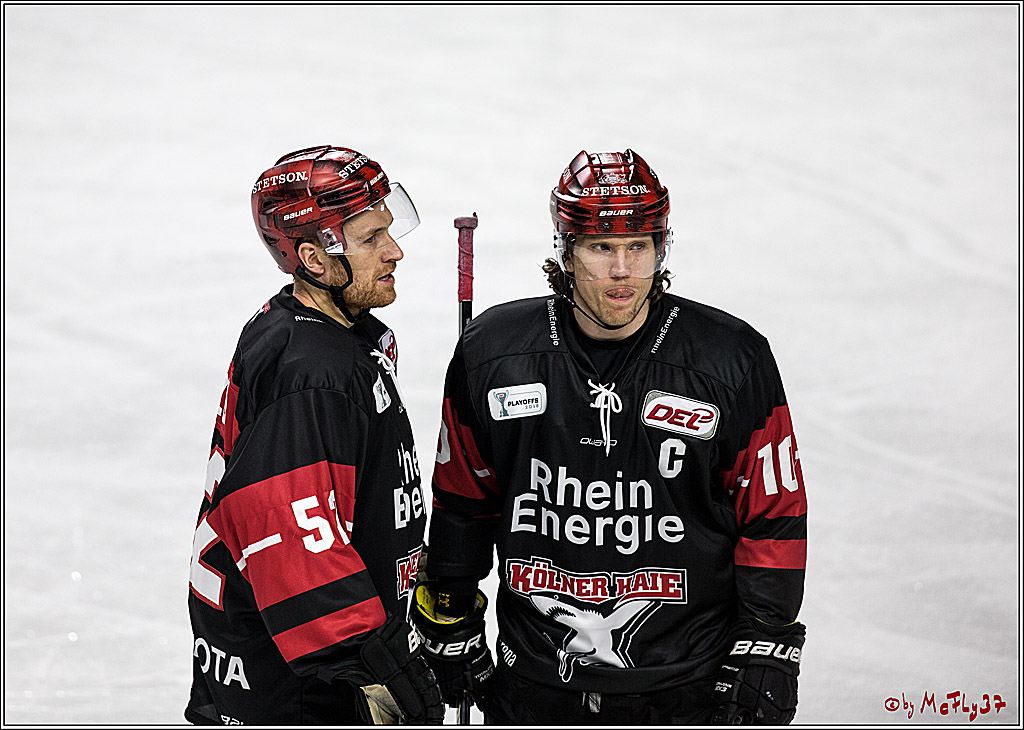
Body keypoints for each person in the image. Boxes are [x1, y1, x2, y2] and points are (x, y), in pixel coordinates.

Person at [412, 149, 808, 725]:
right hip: (533, 684)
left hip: (687, 685)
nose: (622, 270)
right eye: (601, 248)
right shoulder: (494, 352)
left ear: (659, 249)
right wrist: (451, 605)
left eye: (638, 247)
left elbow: (772, 512)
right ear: (566, 250)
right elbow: (464, 498)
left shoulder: (729, 359)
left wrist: (768, 639)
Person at [185, 145, 443, 725]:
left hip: (287, 667)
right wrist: (374, 666)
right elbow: (288, 532)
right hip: (301, 688)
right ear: (314, 258)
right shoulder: (314, 372)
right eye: (371, 238)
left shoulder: (314, 334)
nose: (395, 251)